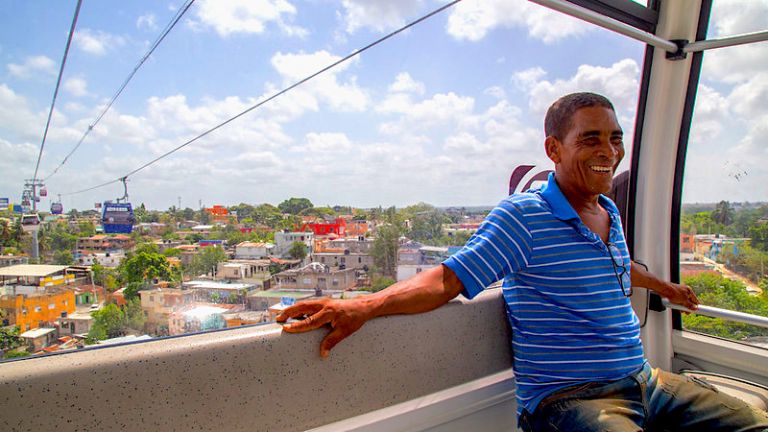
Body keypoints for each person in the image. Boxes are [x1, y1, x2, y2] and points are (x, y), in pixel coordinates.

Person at [277, 92, 768, 431]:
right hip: (573, 399)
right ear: (554, 149)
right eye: (591, 139)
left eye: (615, 138)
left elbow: (617, 266)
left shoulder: (607, 210)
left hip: (646, 381)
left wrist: (664, 287)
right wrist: (365, 305)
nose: (609, 151)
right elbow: (448, 278)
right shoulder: (524, 216)